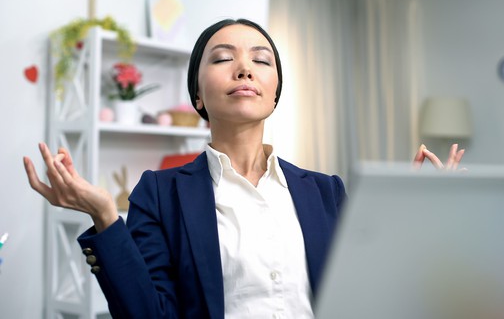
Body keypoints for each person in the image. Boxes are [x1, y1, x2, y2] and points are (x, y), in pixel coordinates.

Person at [23, 18, 464, 318]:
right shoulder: (159, 193)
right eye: (221, 58)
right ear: (197, 96)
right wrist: (103, 216)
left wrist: (416, 214)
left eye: (261, 59)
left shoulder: (327, 192)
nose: (243, 69)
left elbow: (371, 294)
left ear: (274, 94)